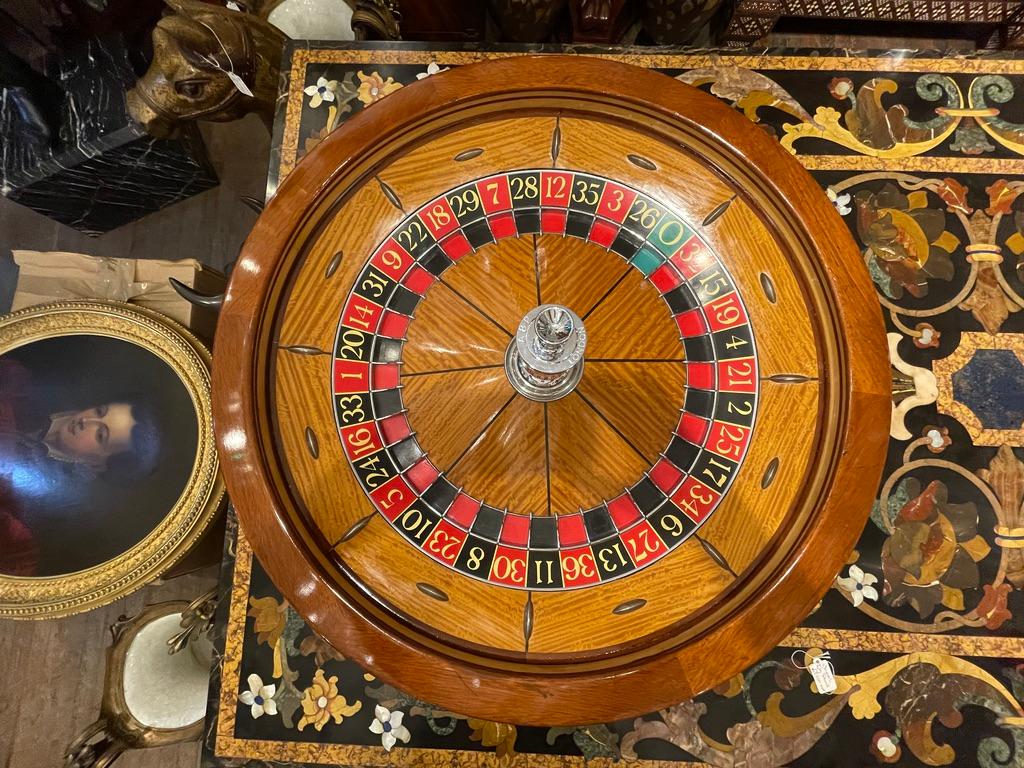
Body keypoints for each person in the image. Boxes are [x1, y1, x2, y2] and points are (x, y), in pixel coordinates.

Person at [0, 356, 164, 576]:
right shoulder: (16, 382)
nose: (87, 421)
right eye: (100, 412)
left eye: (100, 434)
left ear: (98, 463)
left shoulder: (40, 516)